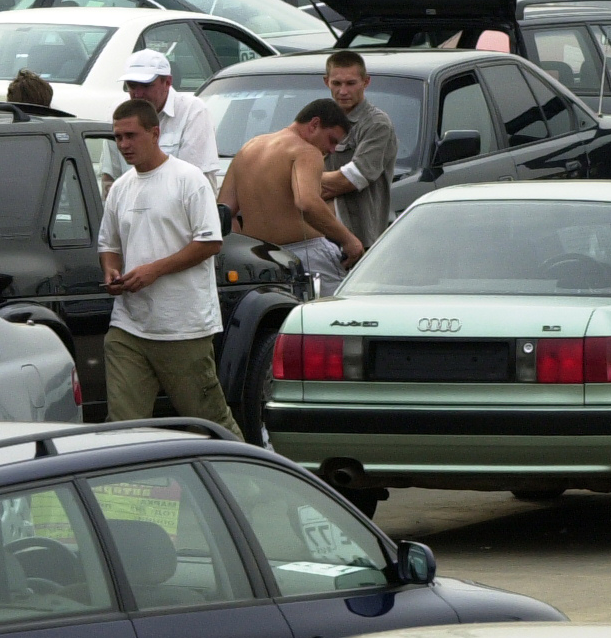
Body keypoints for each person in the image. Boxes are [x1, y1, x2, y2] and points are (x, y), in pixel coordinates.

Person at [97, 98, 242, 437]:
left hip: (182, 326)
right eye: (118, 137)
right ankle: (124, 485)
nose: (123, 145)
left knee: (209, 422)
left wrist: (154, 270)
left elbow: (210, 242)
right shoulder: (120, 188)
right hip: (129, 326)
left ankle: (251, 484)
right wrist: (111, 272)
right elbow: (109, 245)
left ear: (155, 133)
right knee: (123, 428)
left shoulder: (187, 179)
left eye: (131, 135)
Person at [219, 98, 363, 290]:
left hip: (259, 257)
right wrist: (349, 240)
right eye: (332, 140)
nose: (331, 150)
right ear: (314, 124)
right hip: (307, 254)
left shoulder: (249, 148)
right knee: (336, 315)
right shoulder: (306, 152)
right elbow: (306, 202)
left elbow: (223, 210)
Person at [316, 51, 396, 248]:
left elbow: (352, 178)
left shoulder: (377, 124)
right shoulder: (317, 122)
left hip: (361, 238)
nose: (343, 91)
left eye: (350, 83)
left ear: (366, 82)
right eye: (337, 83)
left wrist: (304, 183)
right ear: (327, 82)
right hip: (320, 239)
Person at [120, 49, 218, 186]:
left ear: (167, 82)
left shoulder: (193, 111)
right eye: (132, 86)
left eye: (146, 86)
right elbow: (110, 175)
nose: (138, 93)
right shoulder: (119, 112)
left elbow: (194, 183)